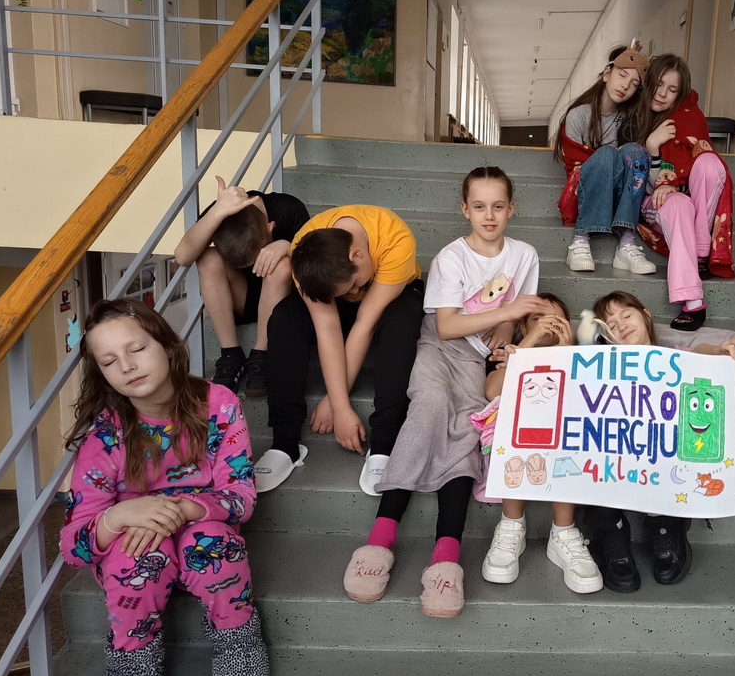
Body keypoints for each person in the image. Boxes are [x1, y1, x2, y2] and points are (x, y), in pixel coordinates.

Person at [342, 167, 548, 618]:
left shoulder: (525, 254)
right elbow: (448, 325)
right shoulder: (451, 257)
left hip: (477, 358)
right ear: (464, 209)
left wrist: (509, 327)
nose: (489, 215)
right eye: (479, 206)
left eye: (498, 206)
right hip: (439, 347)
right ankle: (380, 539)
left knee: (467, 427)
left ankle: (446, 557)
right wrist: (506, 312)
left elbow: (519, 313)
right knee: (430, 408)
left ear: (511, 209)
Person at [59, 299, 269, 676]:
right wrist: (119, 516)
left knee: (213, 545)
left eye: (136, 348)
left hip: (201, 531)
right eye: (109, 361)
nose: (127, 366)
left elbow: (241, 496)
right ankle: (133, 665)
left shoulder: (219, 403)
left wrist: (186, 508)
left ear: (167, 345)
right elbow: (73, 547)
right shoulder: (105, 432)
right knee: (133, 556)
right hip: (136, 547)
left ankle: (238, 641)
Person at [580, 290, 735, 592]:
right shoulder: (601, 368)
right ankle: (611, 527)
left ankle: (664, 523)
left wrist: (718, 352)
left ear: (647, 316)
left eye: (626, 315)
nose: (621, 325)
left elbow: (699, 352)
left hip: (667, 460)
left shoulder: (674, 357)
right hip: (618, 459)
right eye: (610, 325)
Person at [257, 204, 425, 492]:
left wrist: (336, 403)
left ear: (356, 255)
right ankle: (285, 444)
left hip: (392, 295)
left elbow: (364, 323)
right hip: (335, 298)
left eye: (354, 284)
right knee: (284, 317)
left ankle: (384, 444)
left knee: (401, 323)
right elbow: (328, 328)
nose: (354, 293)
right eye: (347, 290)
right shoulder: (304, 253)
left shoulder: (395, 238)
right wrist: (340, 405)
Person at [475, 294, 605, 594]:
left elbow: (588, 399)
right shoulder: (513, 352)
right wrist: (527, 346)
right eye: (538, 319)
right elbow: (493, 391)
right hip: (519, 438)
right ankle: (511, 524)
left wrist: (565, 351)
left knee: (570, 429)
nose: (547, 325)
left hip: (561, 438)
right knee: (514, 423)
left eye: (555, 319)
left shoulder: (580, 357)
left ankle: (564, 531)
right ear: (523, 326)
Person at [173, 175, 309, 397]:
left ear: (271, 228)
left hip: (282, 301)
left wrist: (287, 245)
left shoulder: (289, 208)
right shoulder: (221, 212)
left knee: (284, 264)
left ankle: (261, 355)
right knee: (207, 258)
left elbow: (314, 260)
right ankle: (231, 355)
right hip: (239, 297)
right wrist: (217, 211)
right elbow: (182, 256)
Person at [633, 54, 735, 331]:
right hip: (652, 203)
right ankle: (693, 300)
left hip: (689, 204)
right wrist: (653, 148)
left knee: (710, 162)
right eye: (659, 84)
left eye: (672, 89)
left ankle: (701, 251)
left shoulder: (690, 116)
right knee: (677, 203)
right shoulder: (634, 117)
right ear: (649, 82)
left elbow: (699, 176)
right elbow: (640, 185)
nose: (662, 94)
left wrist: (675, 183)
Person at [554, 43, 656, 275]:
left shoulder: (630, 119)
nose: (625, 86)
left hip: (619, 197)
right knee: (608, 153)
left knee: (636, 151)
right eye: (622, 75)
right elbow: (576, 169)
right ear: (607, 73)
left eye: (634, 84)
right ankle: (581, 239)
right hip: (583, 194)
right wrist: (609, 157)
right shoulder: (579, 115)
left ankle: (626, 242)